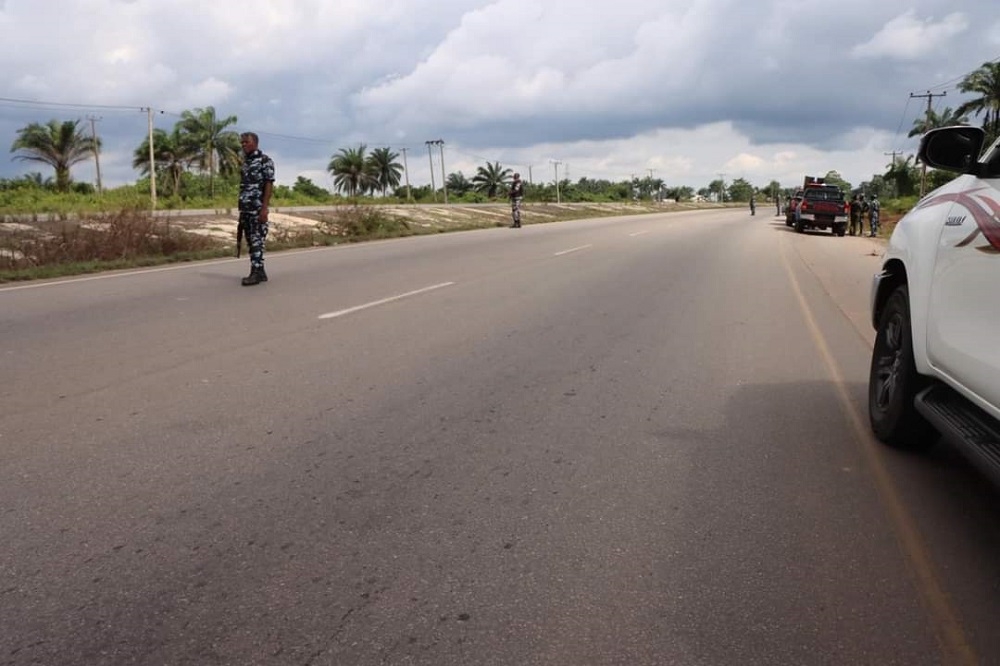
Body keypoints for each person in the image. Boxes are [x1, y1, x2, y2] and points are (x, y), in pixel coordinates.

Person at [238, 132, 275, 286]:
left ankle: (255, 273)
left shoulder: (265, 161)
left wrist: (264, 208)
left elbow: (269, 184)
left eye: (246, 142)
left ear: (255, 143)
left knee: (256, 241)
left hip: (257, 209)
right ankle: (261, 272)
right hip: (245, 209)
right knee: (250, 241)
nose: (243, 145)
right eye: (242, 143)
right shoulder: (246, 162)